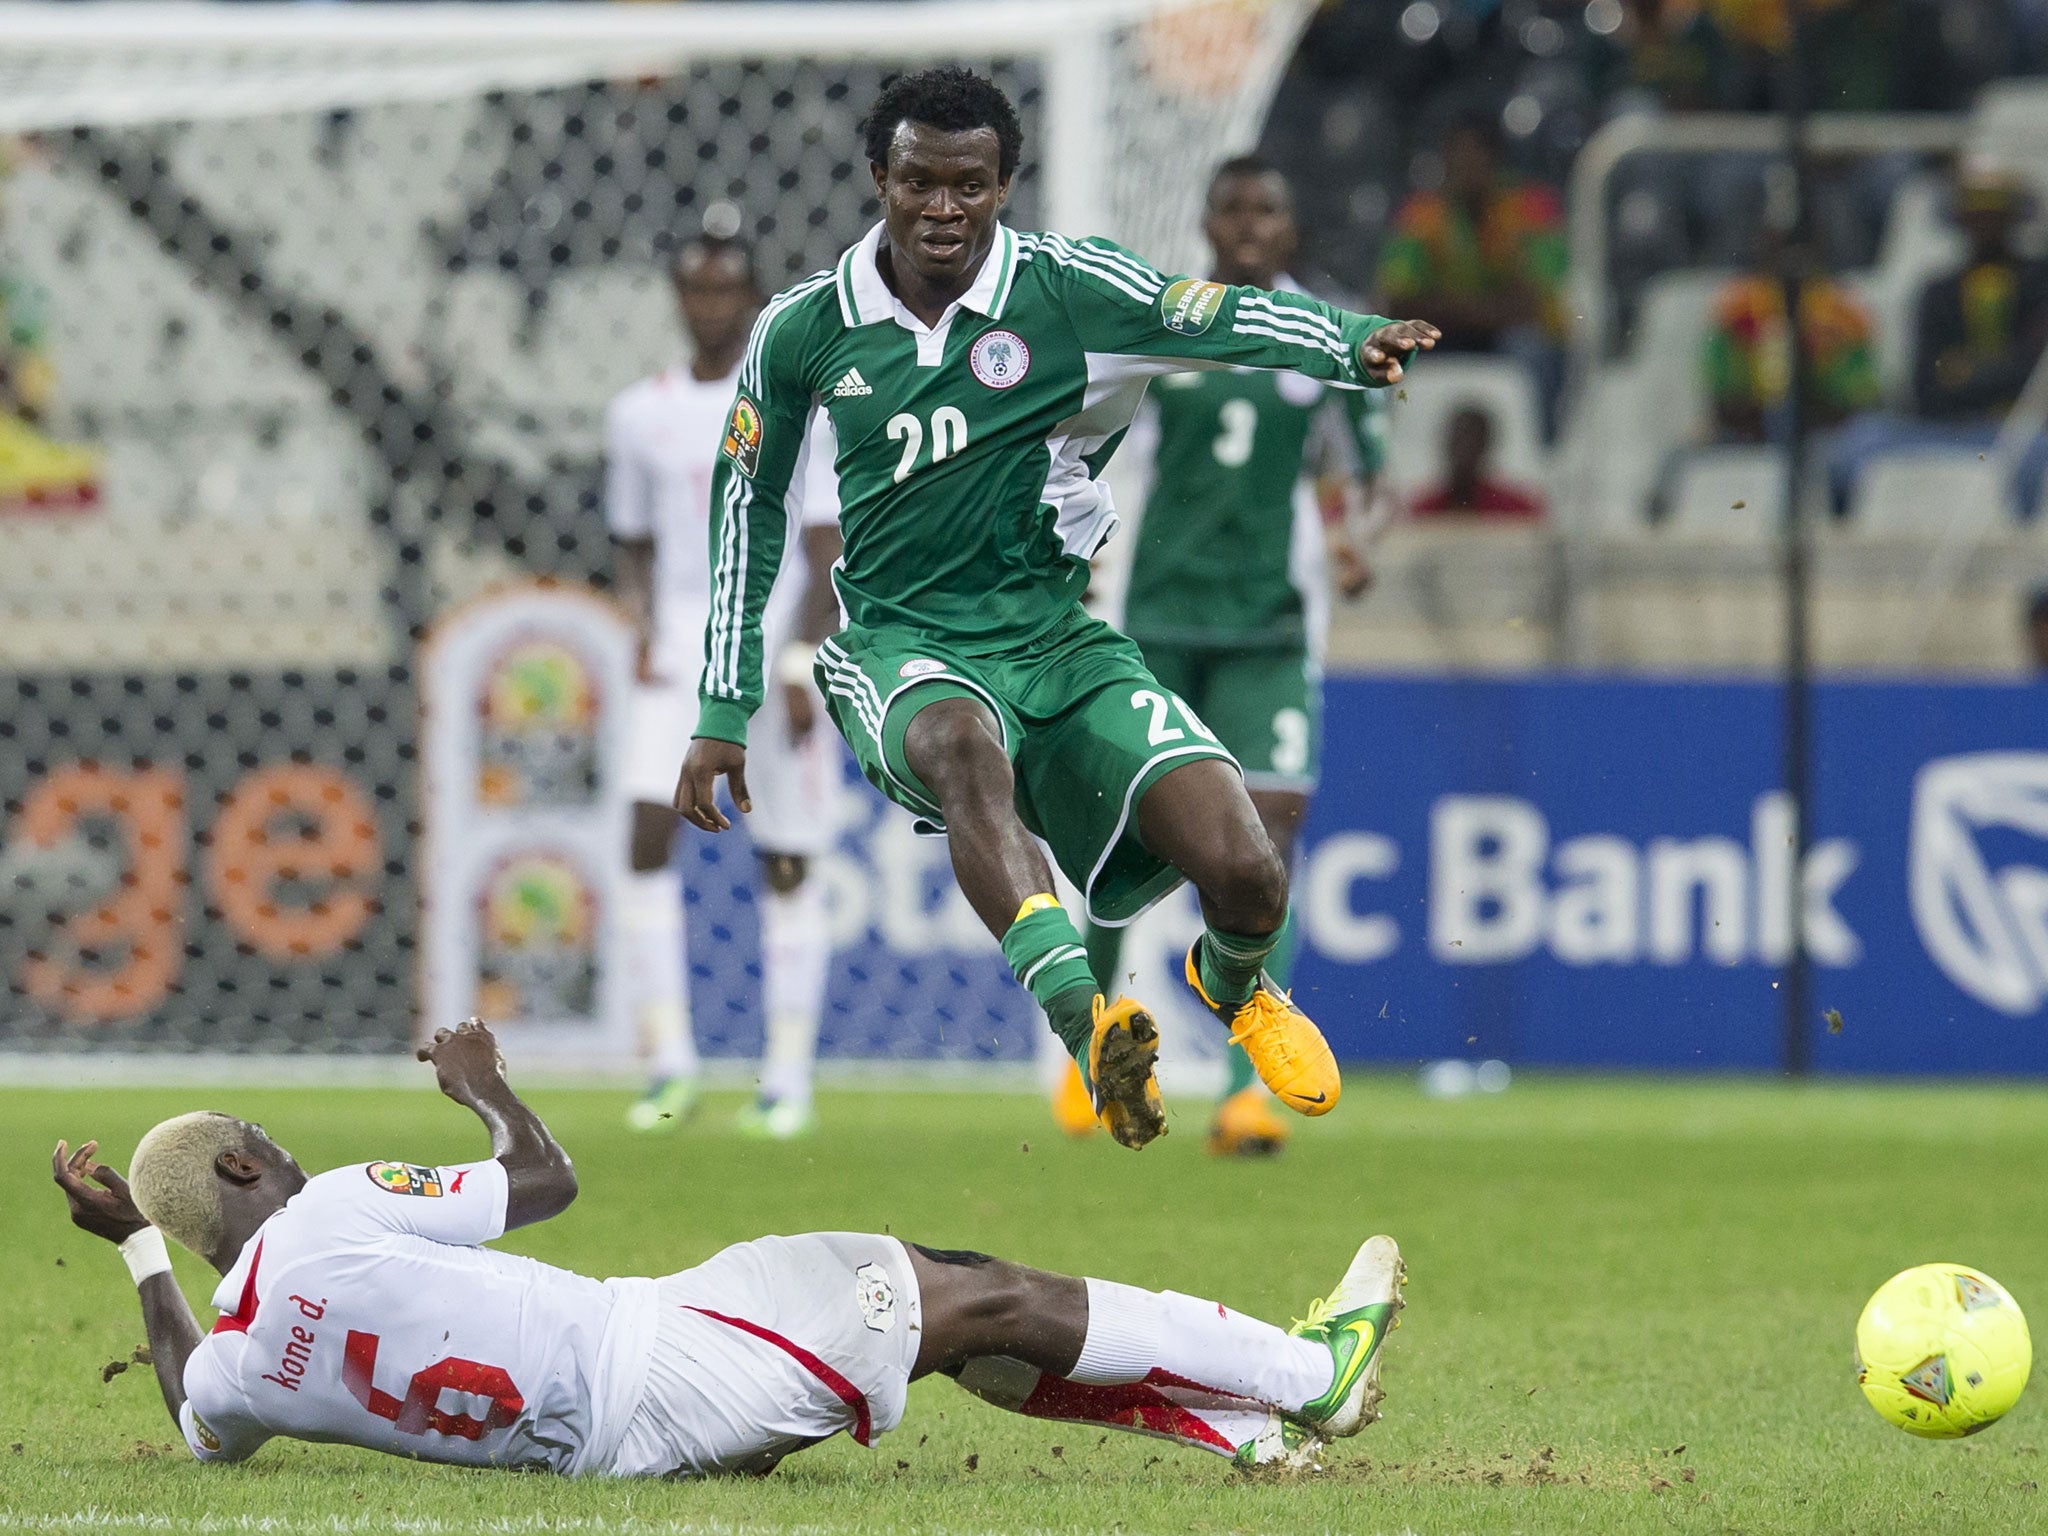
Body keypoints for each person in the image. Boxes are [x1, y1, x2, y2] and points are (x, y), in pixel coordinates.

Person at [674, 67, 1436, 1150]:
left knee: (1244, 865)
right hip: (898, 641)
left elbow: (1212, 313)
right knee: (957, 746)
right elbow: (746, 507)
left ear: (1005, 185)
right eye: (918, 182)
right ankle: (1089, 1027)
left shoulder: (1074, 293)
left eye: (970, 186)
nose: (943, 208)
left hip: (1056, 638)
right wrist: (721, 704)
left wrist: (1346, 346)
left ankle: (1234, 988)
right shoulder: (802, 329)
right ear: (876, 178)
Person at [49, 1019, 1406, 1477]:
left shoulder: (235, 1370)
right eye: (263, 1141)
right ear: (245, 1169)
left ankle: (1239, 1435)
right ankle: (1307, 1372)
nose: (281, 1152)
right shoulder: (334, 1209)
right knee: (985, 1299)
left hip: (630, 1411)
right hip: (665, 1361)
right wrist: (483, 1080)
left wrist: (137, 1256)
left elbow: (185, 1405)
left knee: (936, 1290)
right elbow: (545, 1183)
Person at [1055, 155, 1383, 1159]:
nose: (1247, 223)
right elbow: (1092, 451)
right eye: (1232, 207)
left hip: (1270, 629)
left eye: (1266, 207)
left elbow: (1351, 470)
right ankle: (1093, 1057)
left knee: (1264, 844)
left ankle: (1245, 1090)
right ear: (1205, 220)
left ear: (1288, 227)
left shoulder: (1319, 341)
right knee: (1124, 846)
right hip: (1152, 621)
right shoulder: (1157, 330)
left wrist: (1350, 540)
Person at [606, 228, 843, 1139]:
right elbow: (635, 542)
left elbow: (825, 552)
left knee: (785, 858)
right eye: (695, 288)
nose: (710, 304)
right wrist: (639, 620)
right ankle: (670, 1064)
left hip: (771, 653)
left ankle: (787, 1078)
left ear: (752, 298)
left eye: (727, 289)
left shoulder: (799, 406)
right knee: (643, 833)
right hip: (677, 660)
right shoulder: (639, 415)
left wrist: (798, 658)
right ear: (677, 296)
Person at [1825, 163, 2048, 519]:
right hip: (1946, 428)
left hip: (2018, 431)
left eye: (1994, 212)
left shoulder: (2039, 282)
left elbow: (2031, 372)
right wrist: (1991, 374)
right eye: (1975, 212)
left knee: (2037, 454)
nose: (1984, 221)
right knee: (1855, 444)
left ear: (2013, 217)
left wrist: (1969, 374)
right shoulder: (1938, 291)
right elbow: (1926, 384)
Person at [1375, 113, 1565, 439]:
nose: (1466, 170)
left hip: (1509, 338)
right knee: (1389, 349)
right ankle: (1388, 447)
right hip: (1448, 336)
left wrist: (1449, 305)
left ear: (1496, 161)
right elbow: (1397, 303)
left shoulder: (1531, 209)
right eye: (1457, 159)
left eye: (1476, 159)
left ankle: (1543, 446)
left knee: (1532, 348)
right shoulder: (1424, 214)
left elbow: (1537, 304)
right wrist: (1485, 309)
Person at [1409, 405, 1544, 518]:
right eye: (1458, 442)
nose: (1463, 452)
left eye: (1471, 443)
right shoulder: (1422, 511)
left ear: (1485, 446)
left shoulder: (1517, 511)